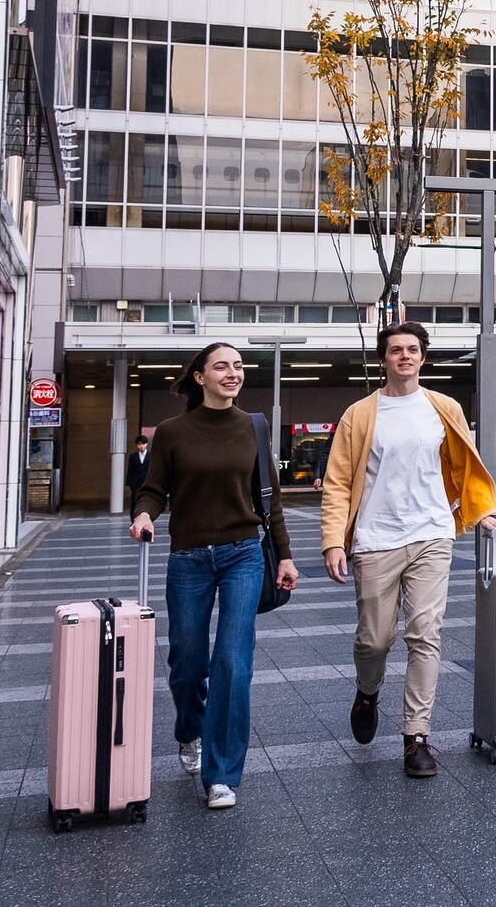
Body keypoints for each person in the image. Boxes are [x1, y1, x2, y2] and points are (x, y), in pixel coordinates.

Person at [319, 321, 496, 779]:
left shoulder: (442, 408)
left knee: (425, 634)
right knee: (374, 639)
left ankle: (416, 737)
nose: (405, 356)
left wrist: (479, 514)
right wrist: (332, 541)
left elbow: (465, 466)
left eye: (413, 350)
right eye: (396, 350)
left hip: (431, 533)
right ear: (383, 359)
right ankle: (367, 690)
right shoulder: (360, 415)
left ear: (423, 357)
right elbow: (339, 482)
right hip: (375, 538)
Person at [129, 343, 299, 811]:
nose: (233, 373)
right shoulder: (171, 432)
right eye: (221, 366)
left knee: (232, 661)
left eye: (239, 366)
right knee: (187, 661)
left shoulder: (253, 427)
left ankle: (221, 774)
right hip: (188, 558)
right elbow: (153, 490)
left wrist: (284, 557)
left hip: (244, 554)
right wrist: (144, 516)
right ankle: (190, 731)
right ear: (200, 376)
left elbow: (271, 499)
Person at [124, 434, 150, 508]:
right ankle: (133, 517)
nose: (141, 446)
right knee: (135, 500)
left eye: (143, 444)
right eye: (139, 444)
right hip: (136, 482)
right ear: (136, 445)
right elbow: (130, 470)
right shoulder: (133, 456)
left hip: (147, 481)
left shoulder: (151, 455)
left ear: (146, 444)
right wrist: (130, 483)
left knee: (147, 500)